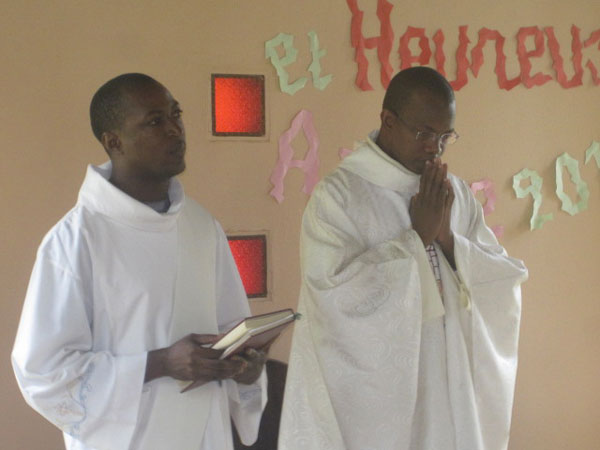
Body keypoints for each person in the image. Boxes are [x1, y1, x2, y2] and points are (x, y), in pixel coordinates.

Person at [12, 73, 268, 450]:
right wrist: (161, 363)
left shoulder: (201, 226)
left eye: (175, 114)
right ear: (113, 141)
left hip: (205, 434)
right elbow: (44, 372)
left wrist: (245, 366)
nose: (174, 129)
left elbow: (232, 328)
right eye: (154, 121)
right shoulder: (76, 240)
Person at [278, 66, 528, 450]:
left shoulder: (454, 193)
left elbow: (502, 278)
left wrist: (447, 240)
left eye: (445, 136)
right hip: (382, 398)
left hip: (449, 379)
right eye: (424, 133)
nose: (435, 148)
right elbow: (331, 297)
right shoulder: (339, 197)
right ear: (388, 121)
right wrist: (417, 239)